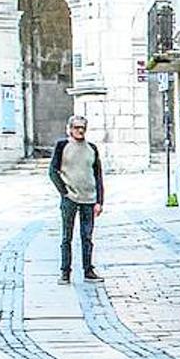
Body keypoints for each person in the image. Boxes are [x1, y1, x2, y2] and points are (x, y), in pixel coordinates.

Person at [48, 114, 105, 284]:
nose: (80, 130)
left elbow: (98, 175)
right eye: (76, 127)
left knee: (87, 236)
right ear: (70, 129)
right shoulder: (62, 146)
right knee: (67, 237)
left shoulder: (92, 148)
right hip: (70, 199)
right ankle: (65, 272)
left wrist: (99, 201)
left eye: (83, 127)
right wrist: (64, 192)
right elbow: (53, 171)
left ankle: (88, 270)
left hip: (89, 198)